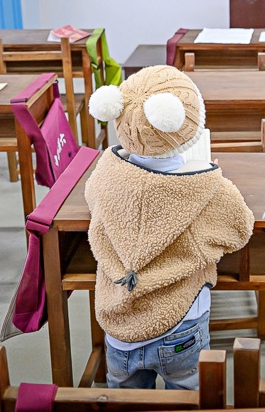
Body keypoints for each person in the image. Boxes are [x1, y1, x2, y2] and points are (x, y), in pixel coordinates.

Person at [85, 65, 254, 390]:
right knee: (189, 402)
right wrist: (212, 176)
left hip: (119, 327)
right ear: (187, 126)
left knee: (127, 407)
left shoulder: (104, 174)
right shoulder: (209, 188)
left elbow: (94, 198)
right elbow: (240, 229)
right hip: (181, 325)